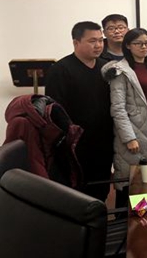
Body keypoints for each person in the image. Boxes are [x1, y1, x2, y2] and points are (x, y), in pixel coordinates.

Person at [45, 21, 113, 201]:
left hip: (104, 140)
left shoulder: (106, 68)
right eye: (92, 41)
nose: (98, 45)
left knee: (102, 186)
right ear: (76, 42)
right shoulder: (60, 70)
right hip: (75, 143)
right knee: (78, 191)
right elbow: (55, 110)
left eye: (100, 40)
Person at [101, 28, 147, 208]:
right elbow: (118, 108)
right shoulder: (120, 71)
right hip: (132, 130)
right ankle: (123, 221)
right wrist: (129, 137)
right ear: (128, 45)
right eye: (138, 43)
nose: (144, 47)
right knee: (129, 181)